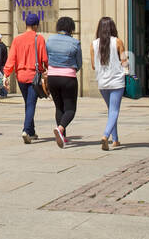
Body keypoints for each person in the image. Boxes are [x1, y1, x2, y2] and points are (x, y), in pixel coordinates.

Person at [3, 12, 48, 144]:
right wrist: (48, 69)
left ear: (26, 25)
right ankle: (26, 130)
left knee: (28, 104)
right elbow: (45, 59)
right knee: (31, 104)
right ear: (36, 26)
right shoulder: (39, 39)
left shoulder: (17, 40)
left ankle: (32, 131)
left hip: (20, 77)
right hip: (34, 76)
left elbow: (11, 59)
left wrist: (6, 75)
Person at [45, 16, 82, 148]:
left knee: (59, 107)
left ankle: (63, 137)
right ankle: (60, 129)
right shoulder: (75, 43)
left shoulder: (49, 40)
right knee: (70, 109)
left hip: (52, 77)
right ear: (71, 28)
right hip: (68, 77)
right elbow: (79, 63)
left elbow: (46, 57)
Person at [91, 16, 128, 151]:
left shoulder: (94, 44)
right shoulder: (118, 42)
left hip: (102, 83)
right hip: (117, 81)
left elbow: (93, 66)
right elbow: (124, 62)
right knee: (114, 110)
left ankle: (116, 139)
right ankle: (106, 135)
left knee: (111, 111)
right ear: (112, 27)